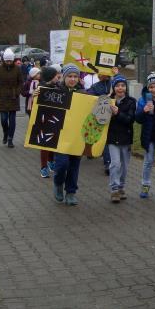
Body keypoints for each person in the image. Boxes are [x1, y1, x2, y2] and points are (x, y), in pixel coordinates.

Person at [51, 64, 85, 205]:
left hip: (77, 136)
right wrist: (36, 96)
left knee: (74, 165)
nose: (72, 79)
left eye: (75, 76)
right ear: (64, 77)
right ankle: (58, 183)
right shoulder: (56, 91)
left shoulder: (83, 94)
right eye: (70, 76)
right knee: (62, 164)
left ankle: (71, 192)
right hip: (60, 136)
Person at [107, 74, 136, 203]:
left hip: (126, 137)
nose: (120, 88)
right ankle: (114, 190)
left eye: (123, 85)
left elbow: (130, 119)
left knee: (124, 166)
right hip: (112, 137)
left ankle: (121, 187)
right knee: (115, 164)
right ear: (113, 88)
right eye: (117, 85)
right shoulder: (108, 100)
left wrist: (118, 113)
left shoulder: (131, 102)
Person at [0, 48, 24, 148]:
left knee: (12, 120)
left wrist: (17, 92)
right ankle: (5, 133)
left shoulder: (17, 69)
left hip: (14, 97)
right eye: (7, 61)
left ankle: (10, 138)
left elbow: (20, 82)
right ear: (4, 60)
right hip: (2, 97)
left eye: (10, 60)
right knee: (3, 119)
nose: (9, 62)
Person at [85, 69, 113, 174]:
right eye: (99, 73)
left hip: (114, 116)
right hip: (101, 115)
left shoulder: (113, 84)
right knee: (101, 137)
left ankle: (109, 161)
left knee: (108, 139)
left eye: (103, 73)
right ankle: (106, 161)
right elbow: (88, 95)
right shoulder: (96, 86)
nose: (101, 75)